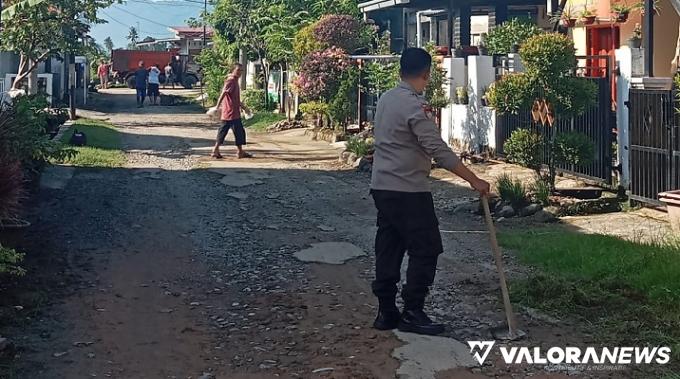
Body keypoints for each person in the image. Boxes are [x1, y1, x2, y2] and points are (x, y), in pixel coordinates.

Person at [370, 48, 490, 336]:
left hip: (383, 186)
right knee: (426, 248)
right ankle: (413, 311)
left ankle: (386, 311)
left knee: (390, 245)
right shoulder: (414, 106)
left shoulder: (386, 99)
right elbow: (437, 149)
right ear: (426, 74)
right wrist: (474, 179)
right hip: (409, 188)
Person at [211, 63, 251, 159]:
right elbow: (224, 93)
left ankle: (218, 150)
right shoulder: (231, 81)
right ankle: (237, 152)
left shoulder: (235, 81)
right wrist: (217, 106)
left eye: (241, 70)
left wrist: (244, 107)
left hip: (232, 112)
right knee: (236, 132)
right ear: (233, 70)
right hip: (230, 112)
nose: (240, 72)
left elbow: (235, 98)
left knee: (231, 131)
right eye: (238, 70)